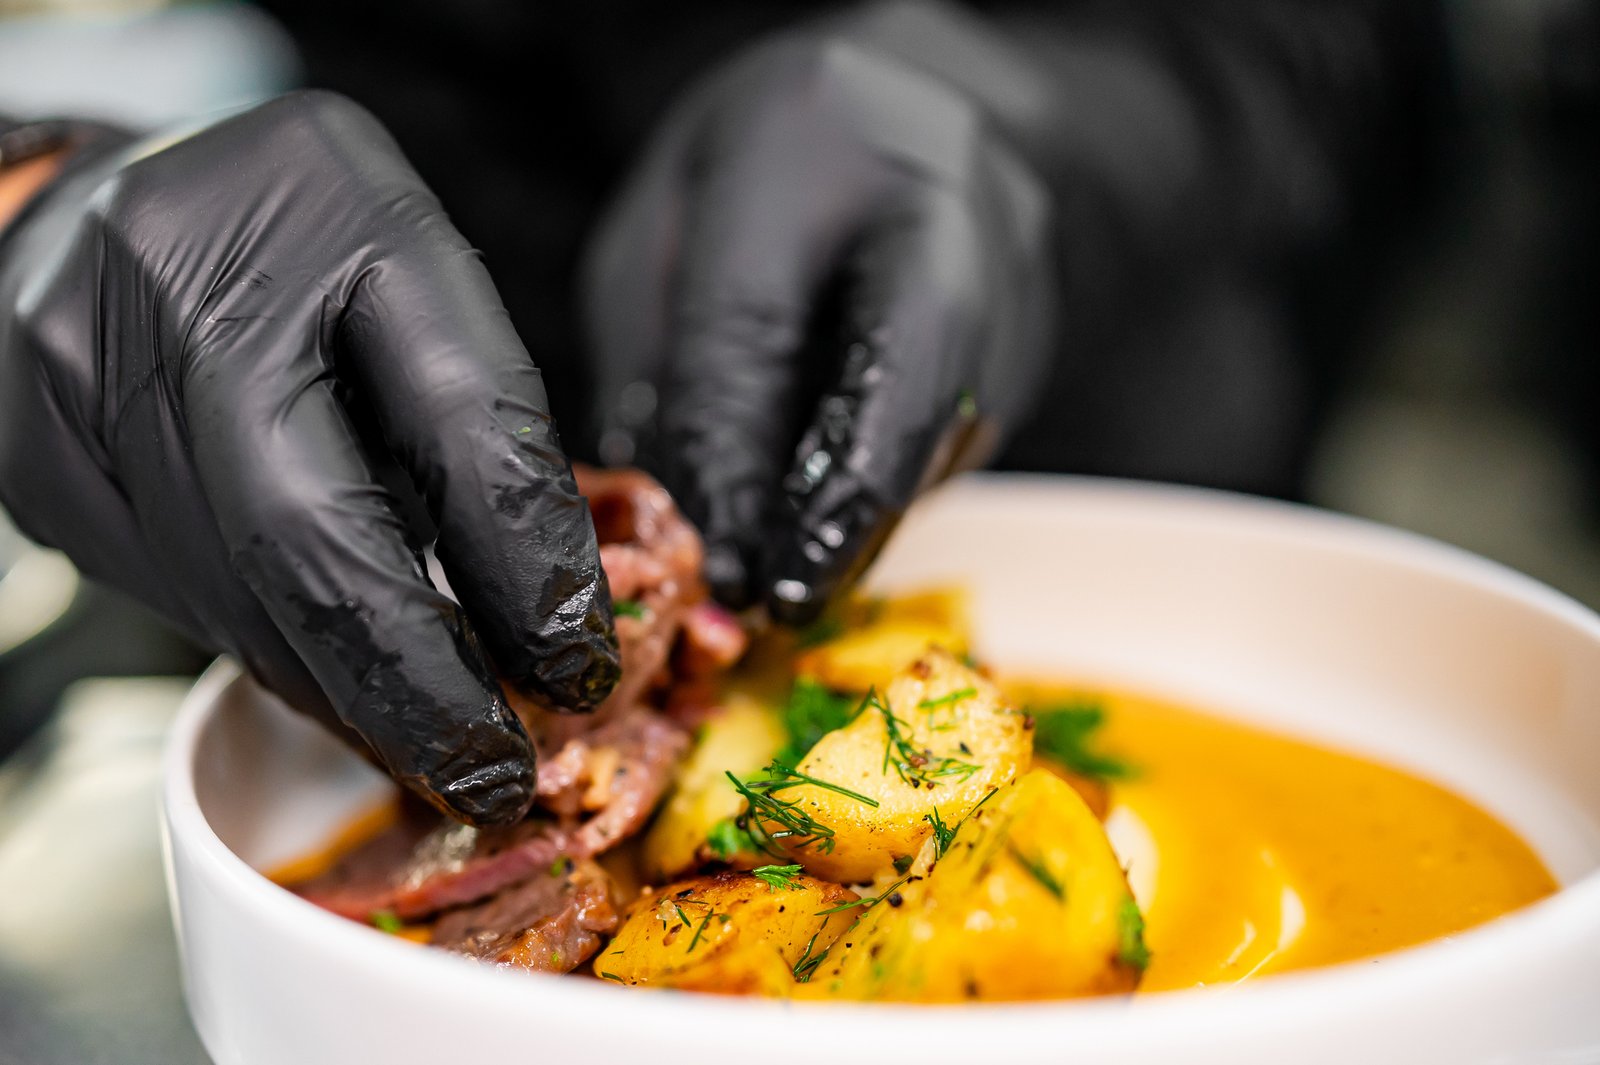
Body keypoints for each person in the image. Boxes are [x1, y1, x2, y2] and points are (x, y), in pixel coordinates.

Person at [0, 0, 1587, 825]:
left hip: (1119, 405)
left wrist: (1034, 117)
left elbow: (1347, 47)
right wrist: (29, 188)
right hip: (378, 429)